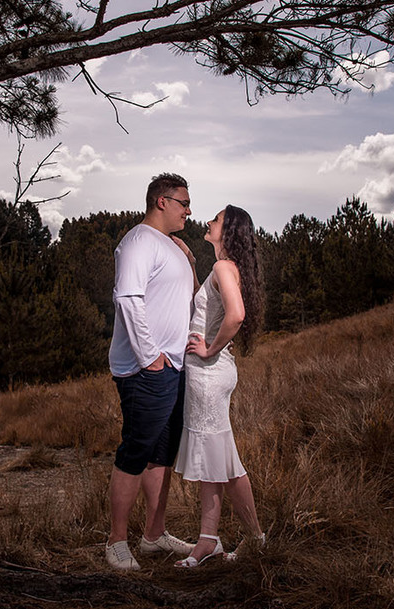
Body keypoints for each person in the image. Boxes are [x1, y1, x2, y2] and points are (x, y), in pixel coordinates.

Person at [105, 173, 199, 570]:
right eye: (184, 202)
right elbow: (128, 298)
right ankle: (115, 542)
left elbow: (190, 297)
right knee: (136, 451)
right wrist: (151, 358)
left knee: (162, 454)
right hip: (147, 370)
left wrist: (191, 260)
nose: (189, 210)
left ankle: (154, 536)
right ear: (162, 201)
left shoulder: (173, 246)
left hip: (174, 367)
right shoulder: (139, 241)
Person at [171, 204, 266, 567]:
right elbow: (204, 304)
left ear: (227, 232)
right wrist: (191, 259)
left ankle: (255, 537)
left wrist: (210, 349)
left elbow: (236, 314)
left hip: (210, 374)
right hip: (207, 374)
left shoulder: (224, 267)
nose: (209, 221)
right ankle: (208, 540)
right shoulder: (221, 268)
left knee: (225, 462)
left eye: (217, 219)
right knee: (217, 460)